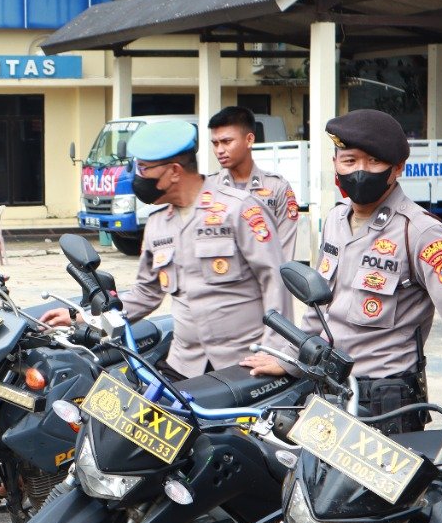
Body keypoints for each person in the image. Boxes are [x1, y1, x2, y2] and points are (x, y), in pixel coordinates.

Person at [244, 108, 442, 440]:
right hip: (328, 392)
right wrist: (294, 357)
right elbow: (320, 308)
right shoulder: (336, 221)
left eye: (373, 162)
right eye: (350, 161)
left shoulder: (421, 232)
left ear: (396, 169)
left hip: (387, 406)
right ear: (336, 163)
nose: (360, 172)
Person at [44, 119, 290, 381]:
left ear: (174, 171)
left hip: (243, 362)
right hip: (185, 362)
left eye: (144, 169)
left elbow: (275, 280)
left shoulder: (239, 209)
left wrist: (276, 352)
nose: (137, 177)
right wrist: (80, 317)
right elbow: (144, 295)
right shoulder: (157, 224)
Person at [208, 106, 300, 260]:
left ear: (249, 139)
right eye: (215, 143)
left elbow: (284, 251)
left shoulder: (277, 187)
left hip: (265, 281)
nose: (219, 150)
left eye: (226, 142)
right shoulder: (209, 188)